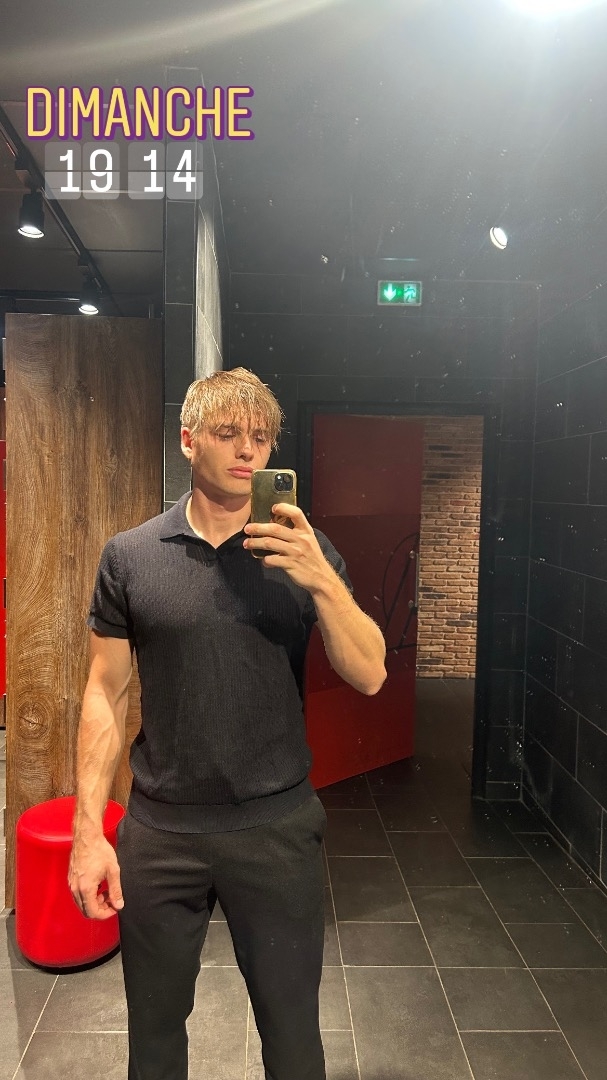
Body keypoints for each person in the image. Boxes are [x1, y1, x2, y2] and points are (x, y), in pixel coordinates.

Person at [68, 367, 386, 1080]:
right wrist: (89, 833)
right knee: (153, 1043)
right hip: (160, 834)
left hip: (274, 829)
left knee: (293, 1041)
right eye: (228, 432)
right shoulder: (131, 555)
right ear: (188, 441)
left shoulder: (302, 551)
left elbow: (370, 673)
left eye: (261, 437)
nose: (248, 450)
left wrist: (320, 577)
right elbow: (104, 694)